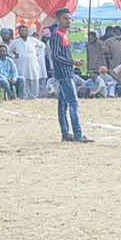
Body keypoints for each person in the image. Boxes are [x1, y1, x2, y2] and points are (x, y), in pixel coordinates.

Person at [48, 8, 92, 143]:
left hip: (67, 72)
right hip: (64, 74)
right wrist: (72, 61)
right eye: (65, 18)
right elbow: (55, 56)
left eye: (69, 18)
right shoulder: (57, 35)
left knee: (63, 105)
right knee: (73, 103)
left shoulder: (64, 34)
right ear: (59, 20)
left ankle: (66, 133)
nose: (68, 21)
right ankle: (77, 134)